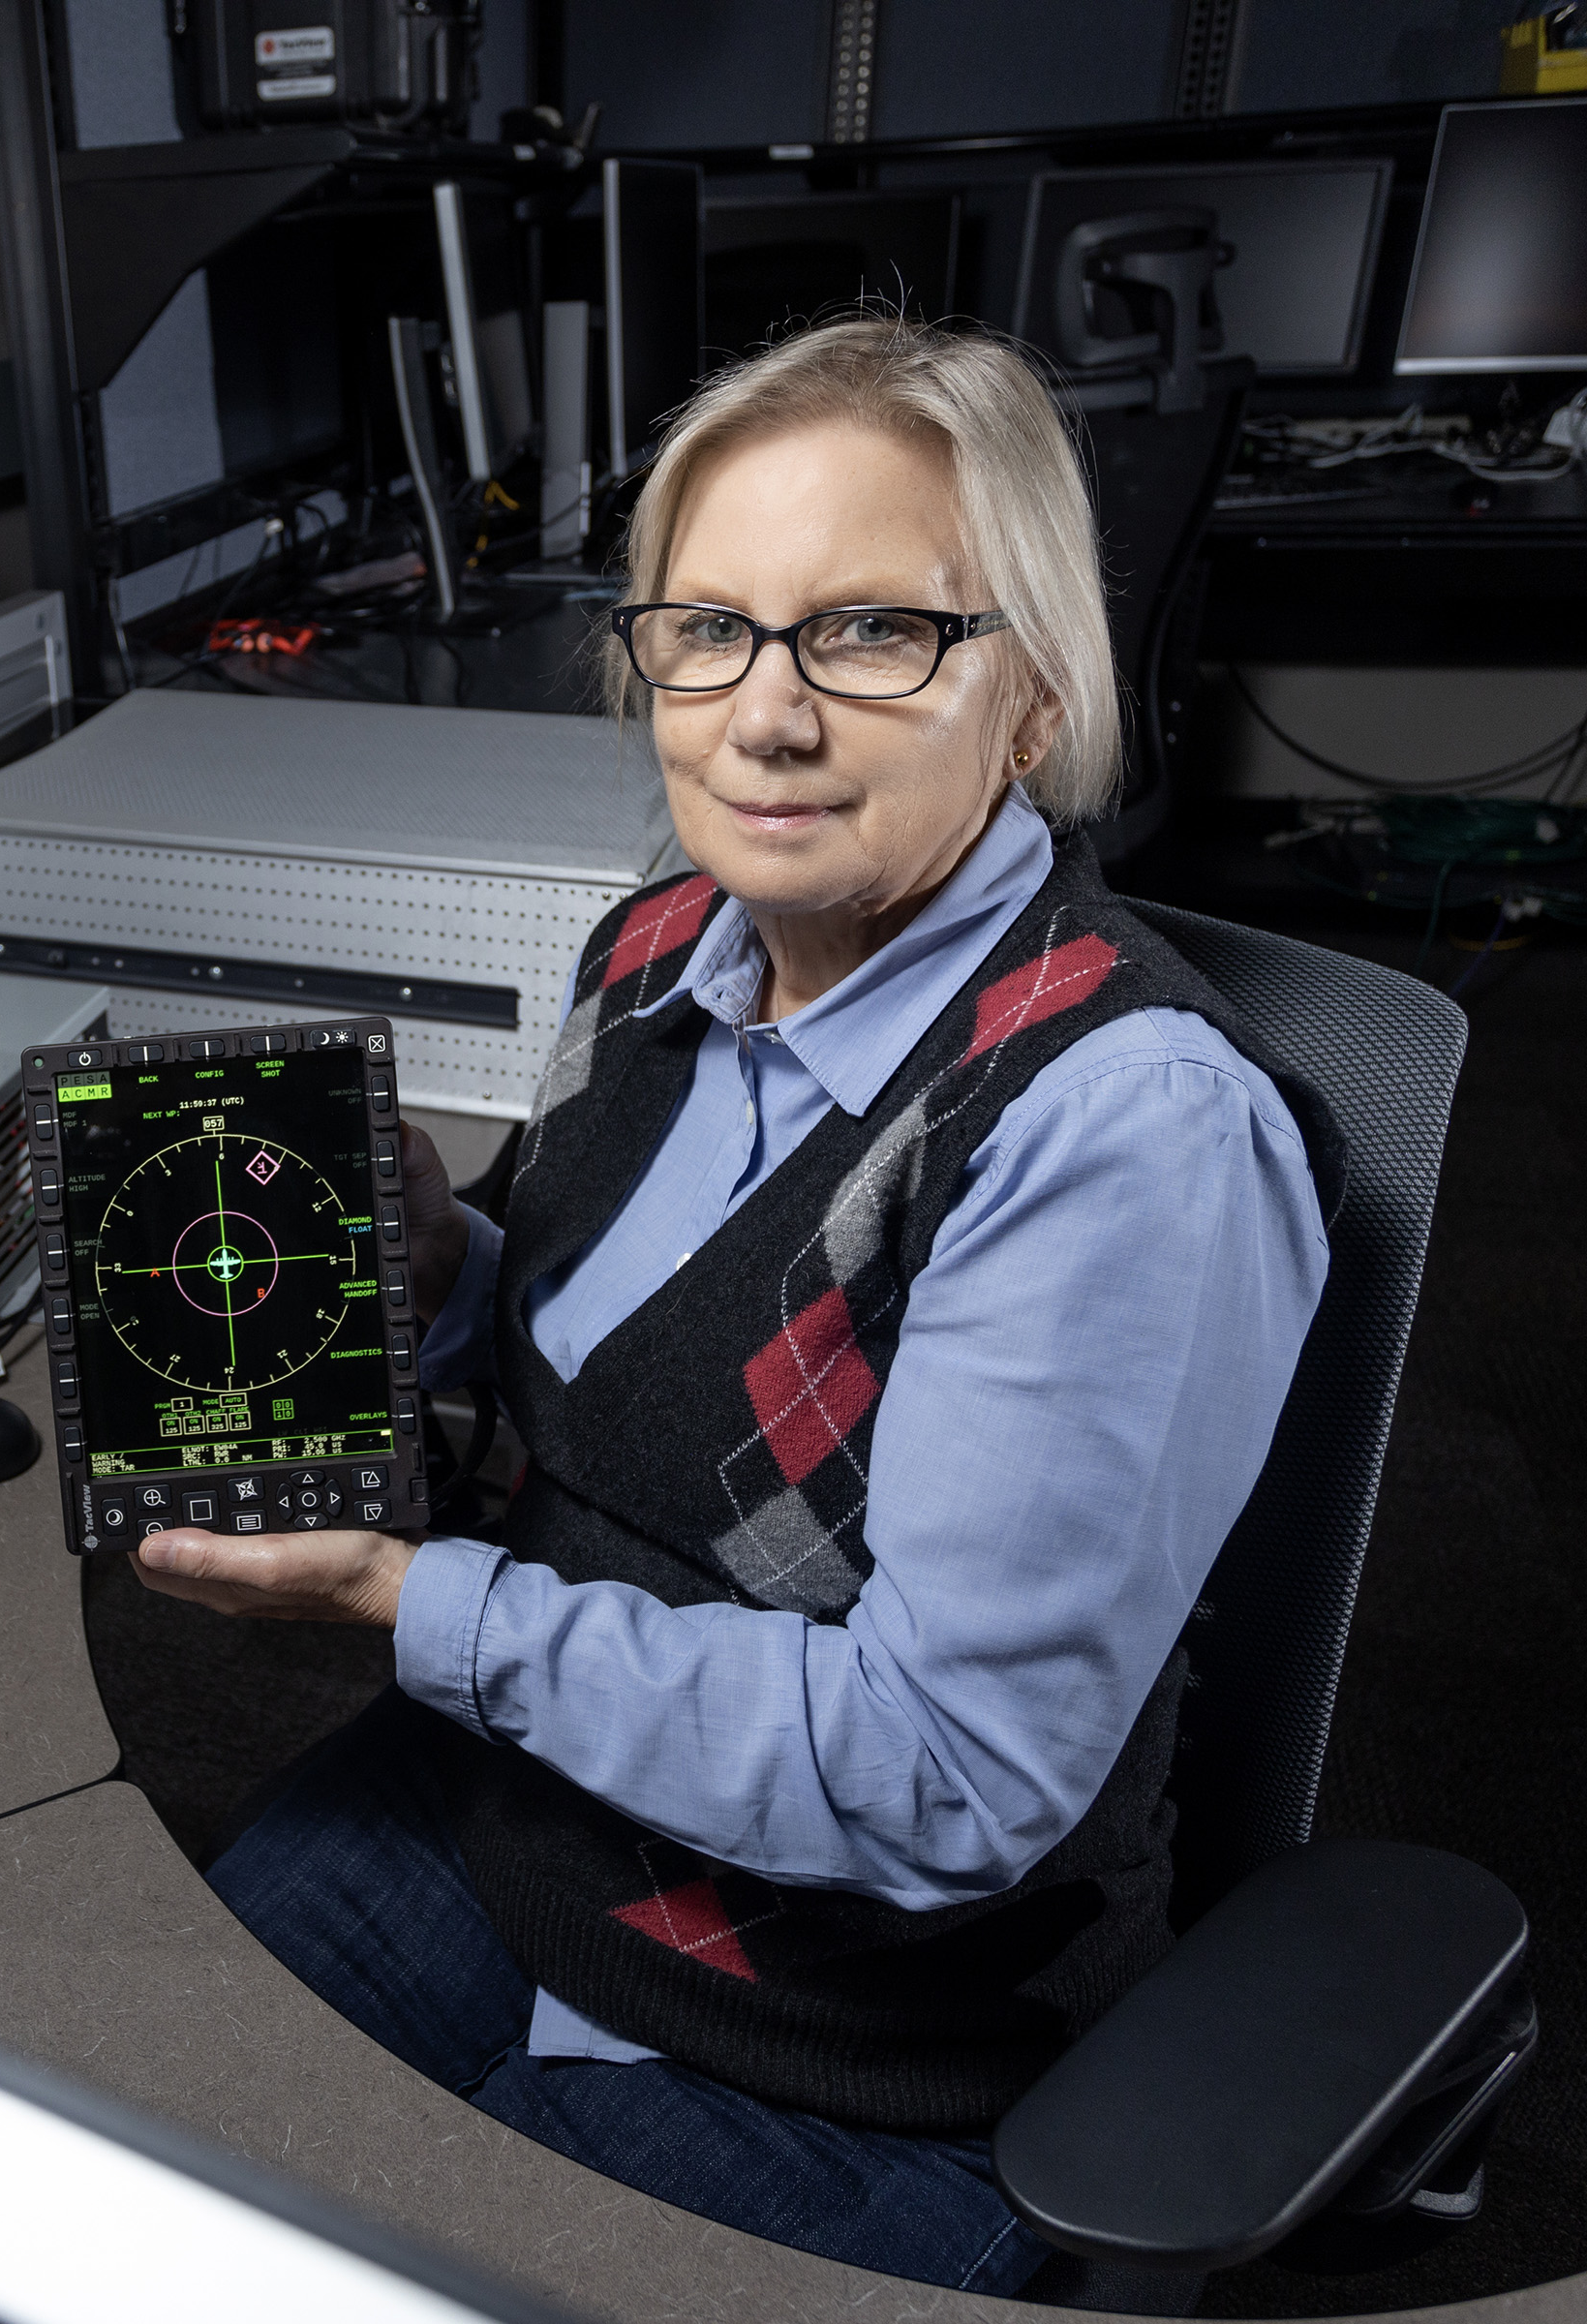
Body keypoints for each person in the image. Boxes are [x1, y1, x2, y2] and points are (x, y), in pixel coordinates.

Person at [130, 316, 1336, 2295]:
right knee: (96, 2186)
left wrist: (403, 1606)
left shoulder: (1123, 1130)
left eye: (869, 635)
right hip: (516, 1821)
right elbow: (645, 1394)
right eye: (706, 628)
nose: (762, 718)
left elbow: (950, 1779)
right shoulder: (663, 945)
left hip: (851, 2028)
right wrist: (455, 1282)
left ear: (1027, 695)